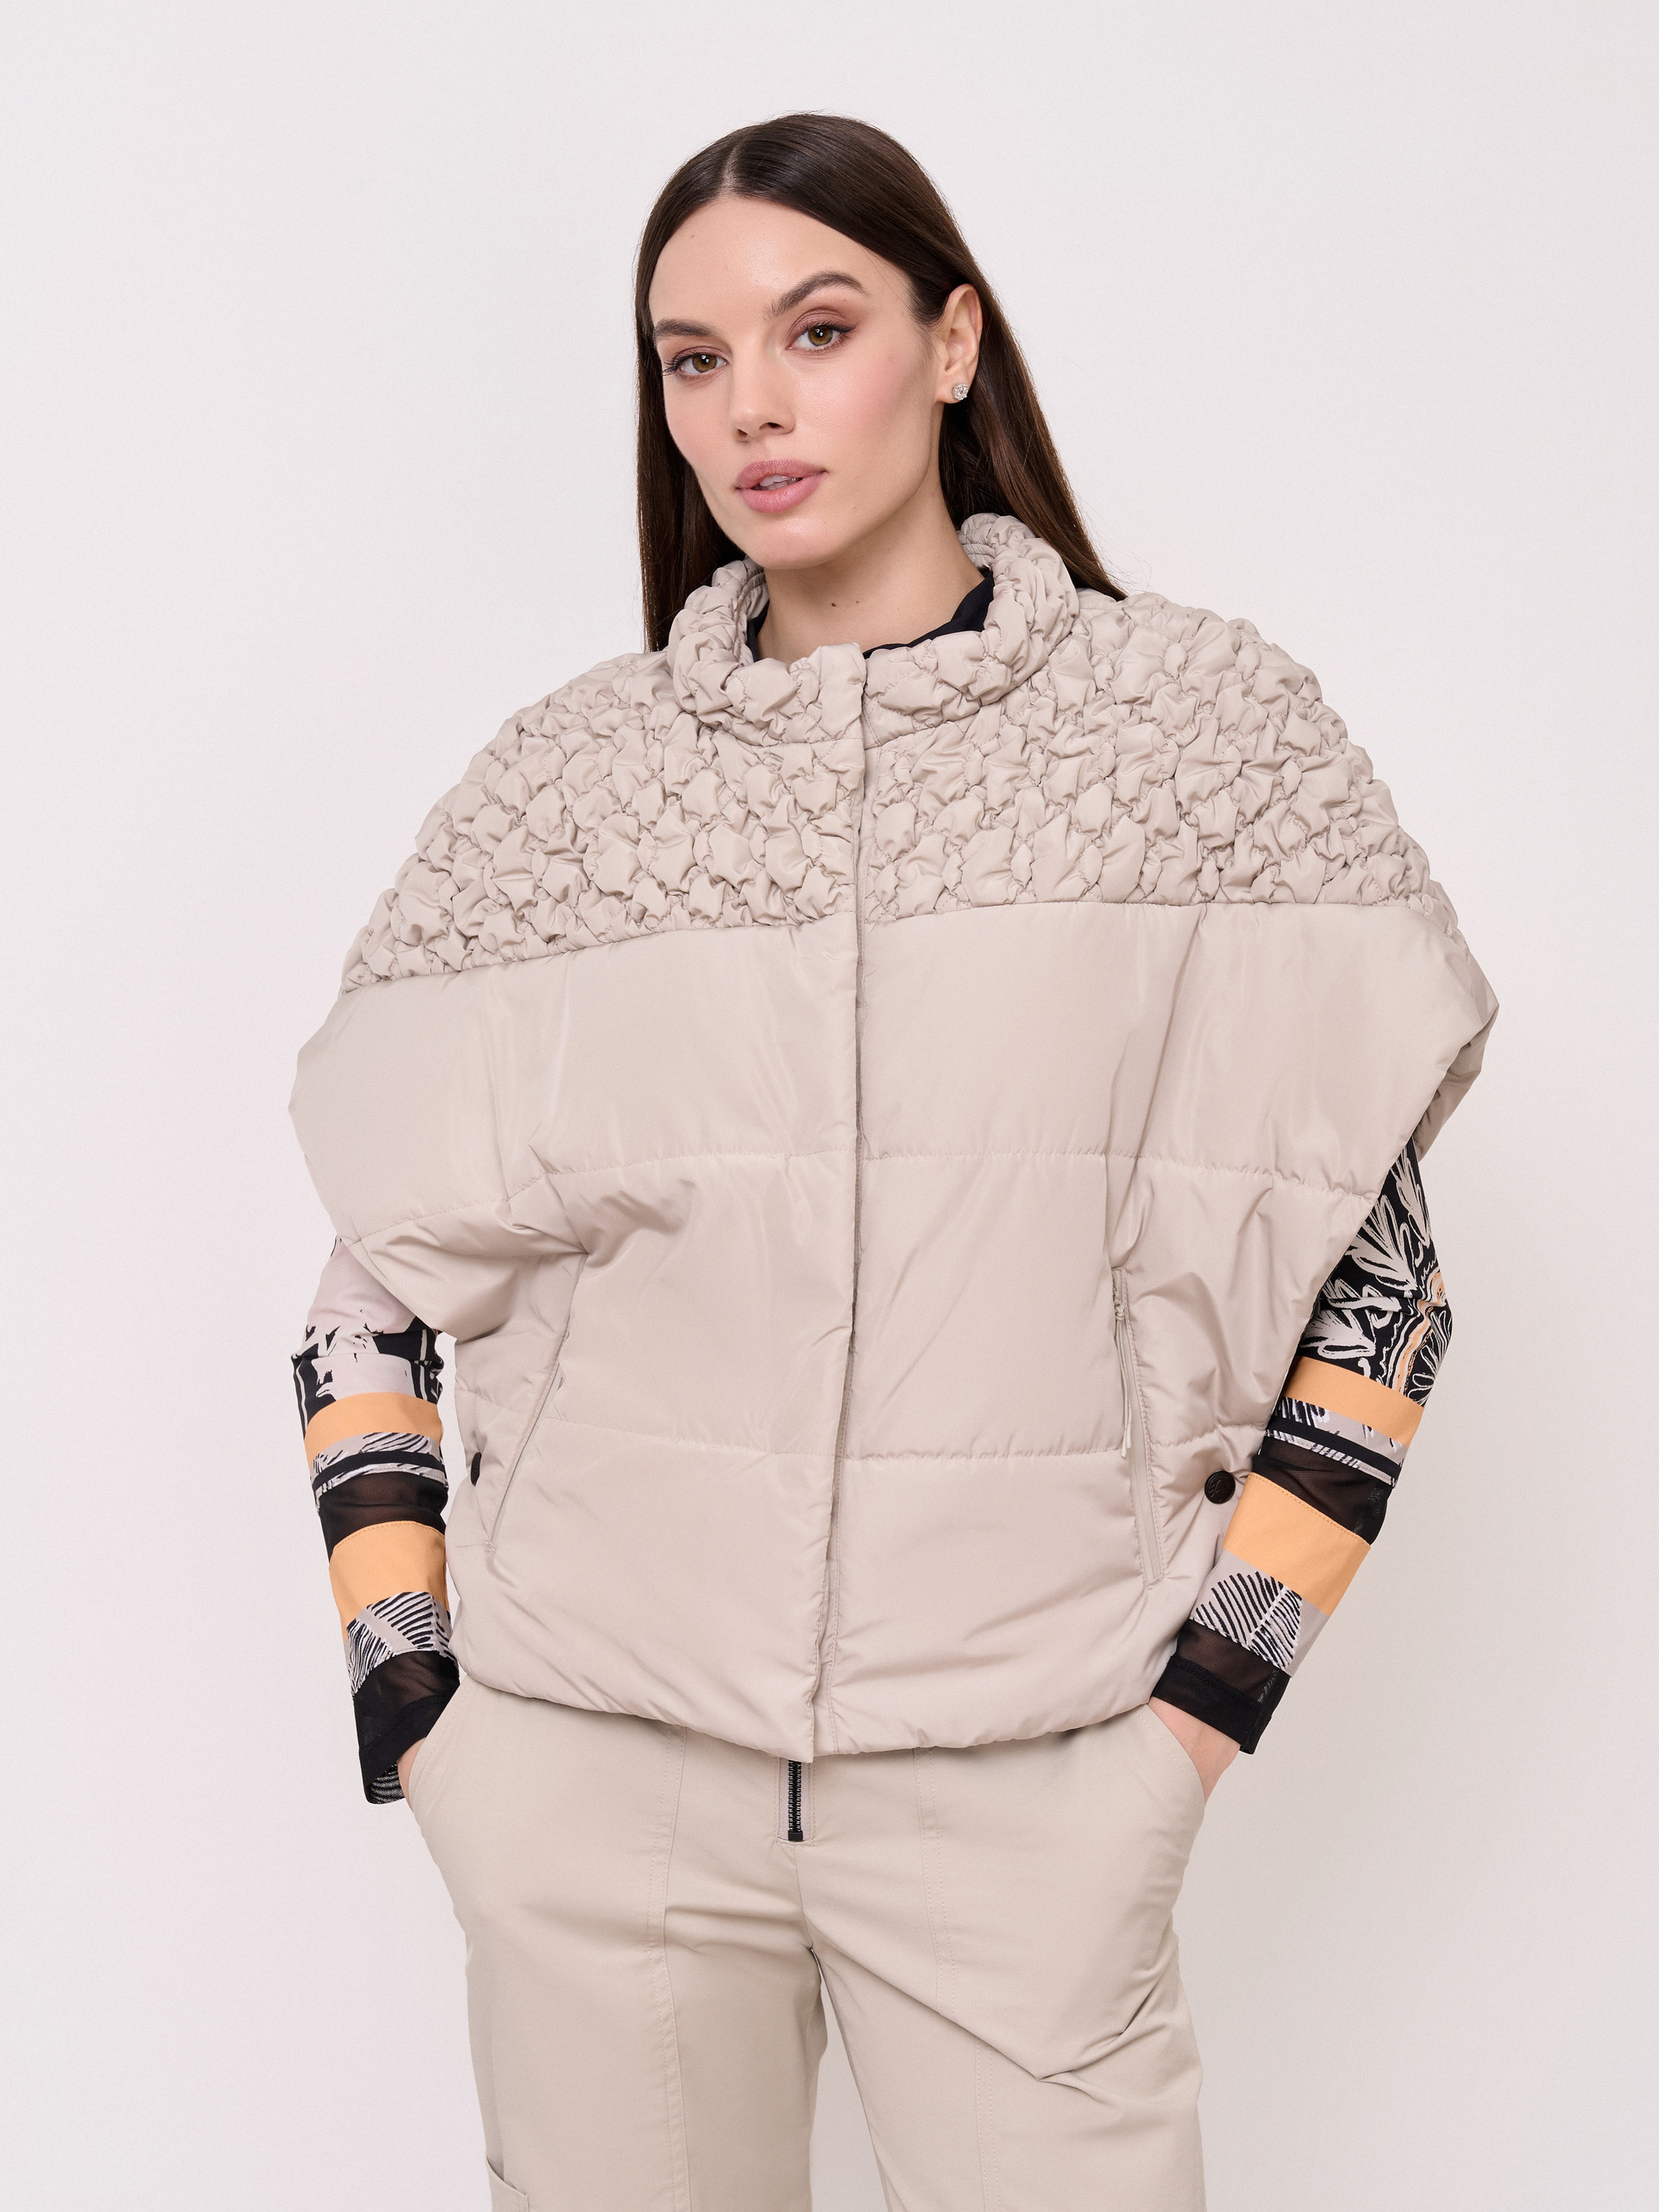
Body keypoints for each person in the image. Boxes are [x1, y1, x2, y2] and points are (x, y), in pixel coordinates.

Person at [289, 112, 1496, 2212]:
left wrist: (1192, 1721)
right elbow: (368, 1285)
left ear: (950, 342)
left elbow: (1385, 1287)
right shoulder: (568, 791)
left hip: (1024, 1790)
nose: (749, 406)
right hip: (598, 1784)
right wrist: (421, 1700)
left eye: (816, 328)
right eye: (691, 358)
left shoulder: (1198, 740)